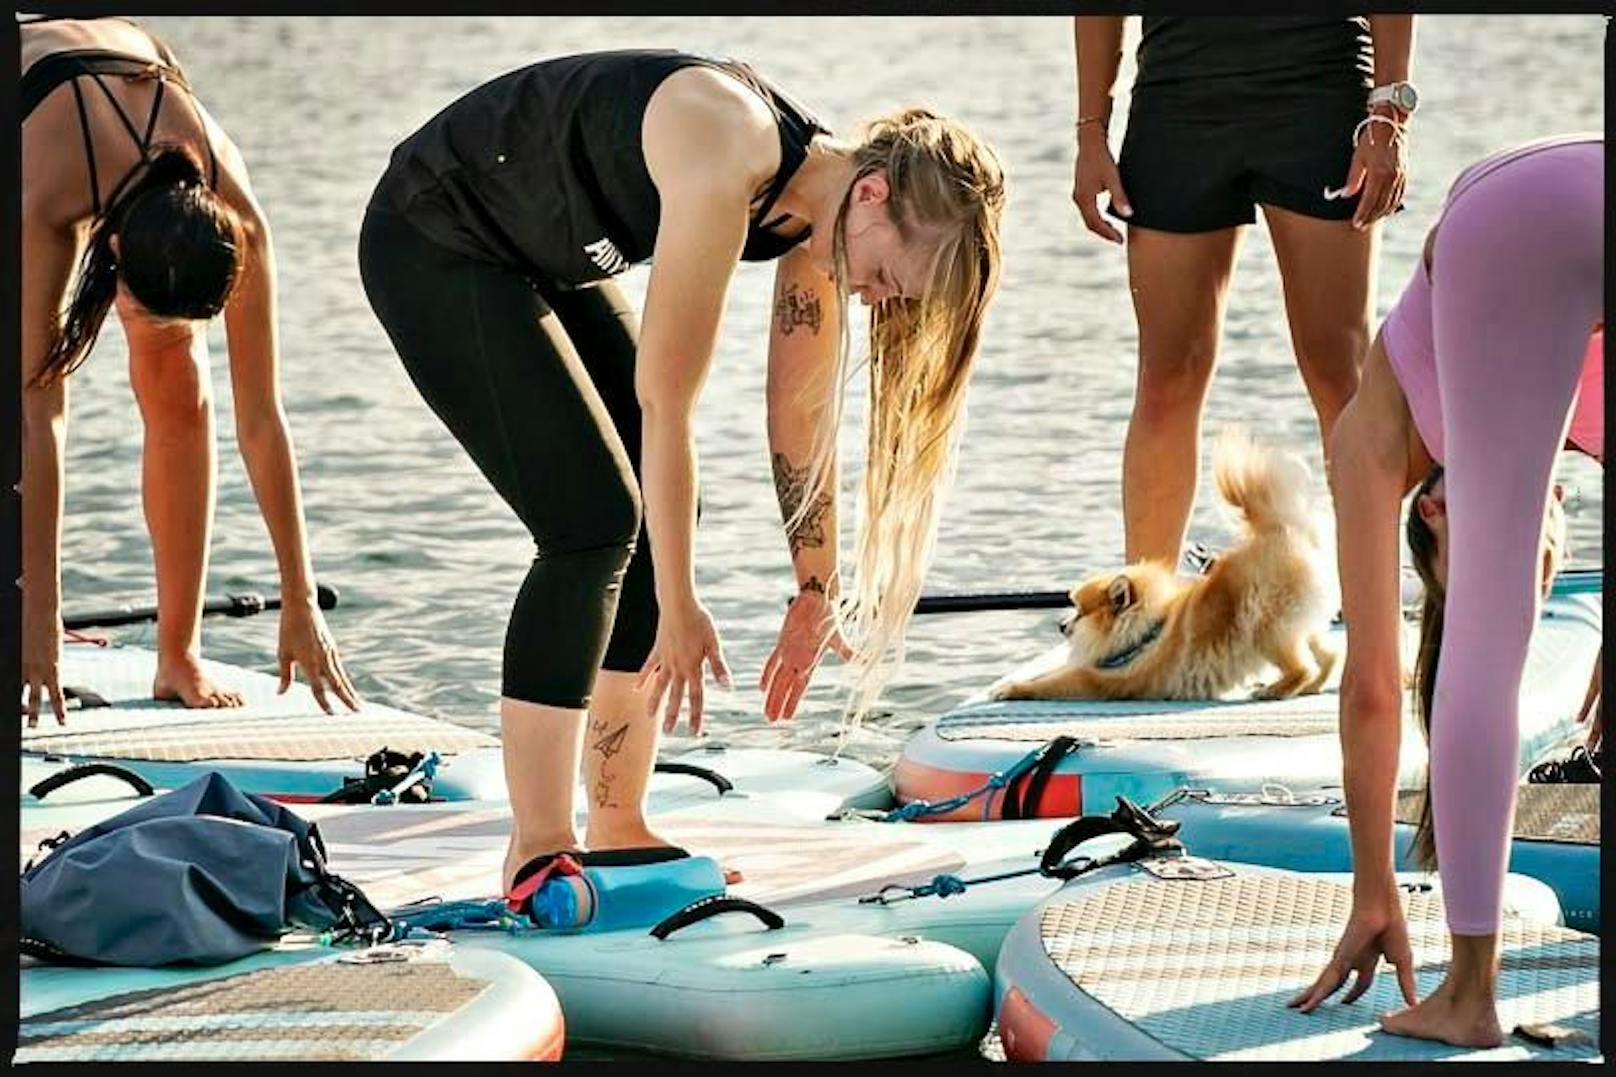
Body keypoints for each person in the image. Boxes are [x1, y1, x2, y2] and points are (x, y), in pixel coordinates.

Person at [358, 49, 1005, 896]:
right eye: (887, 277)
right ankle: (538, 845)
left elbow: (797, 418)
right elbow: (667, 400)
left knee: (666, 504)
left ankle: (617, 820)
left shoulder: (817, 219)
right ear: (875, 193)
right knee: (592, 521)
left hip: (533, 252)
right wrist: (680, 601)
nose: (877, 297)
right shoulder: (725, 148)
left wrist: (815, 588)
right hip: (433, 233)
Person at [1288, 136, 1601, 1048]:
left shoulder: (1372, 441)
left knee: (1486, 652)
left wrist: (1374, 889)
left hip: (1512, 214)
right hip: (1549, 182)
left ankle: (1469, 994)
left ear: (1431, 515)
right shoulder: (1563, 404)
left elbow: (1374, 686)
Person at [21, 16, 358, 724]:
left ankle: (178, 655)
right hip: (40, 101)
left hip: (128, 76)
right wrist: (39, 621)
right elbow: (39, 421)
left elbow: (261, 417)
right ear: (110, 250)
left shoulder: (237, 218)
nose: (144, 329)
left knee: (182, 388)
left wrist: (299, 598)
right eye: (142, 310)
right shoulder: (45, 204)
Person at [1071, 16, 1415, 566]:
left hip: (1318, 86)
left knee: (1338, 371)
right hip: (1177, 97)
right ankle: (1147, 622)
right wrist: (1091, 132)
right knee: (1166, 377)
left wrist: (1388, 113)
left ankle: (1372, 615)